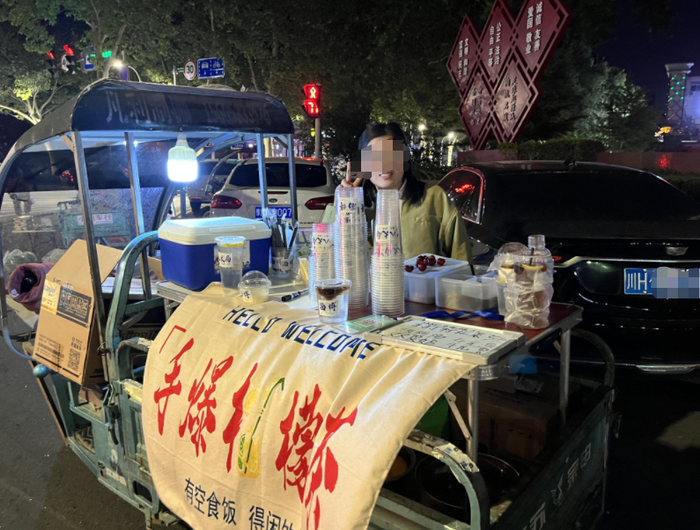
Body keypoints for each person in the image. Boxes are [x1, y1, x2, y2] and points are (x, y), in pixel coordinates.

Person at [323, 122, 472, 262]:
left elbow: (461, 257)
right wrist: (343, 203)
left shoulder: (434, 197)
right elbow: (325, 251)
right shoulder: (356, 203)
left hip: (423, 282)